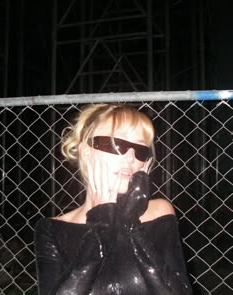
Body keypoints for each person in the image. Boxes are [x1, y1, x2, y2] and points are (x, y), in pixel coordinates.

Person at [34, 103, 193, 295]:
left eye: (141, 149)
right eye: (117, 144)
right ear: (86, 150)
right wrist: (101, 225)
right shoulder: (52, 229)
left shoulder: (159, 211)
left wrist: (131, 223)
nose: (131, 156)